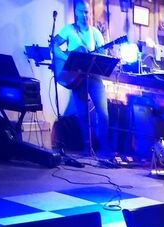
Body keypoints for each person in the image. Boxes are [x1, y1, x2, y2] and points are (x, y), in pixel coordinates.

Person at [52, 0, 109, 155]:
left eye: (86, 12)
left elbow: (103, 55)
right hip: (76, 79)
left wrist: (102, 55)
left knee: (103, 114)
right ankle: (87, 147)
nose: (84, 15)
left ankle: (104, 148)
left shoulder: (95, 33)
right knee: (83, 115)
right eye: (81, 12)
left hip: (94, 77)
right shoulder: (68, 30)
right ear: (76, 13)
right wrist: (67, 59)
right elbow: (54, 46)